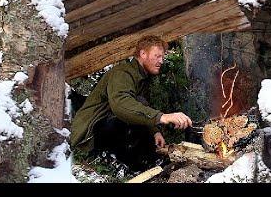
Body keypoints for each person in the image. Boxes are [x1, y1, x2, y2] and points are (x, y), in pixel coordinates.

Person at [70, 35, 192, 170]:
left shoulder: (141, 76)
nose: (161, 61)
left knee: (140, 109)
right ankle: (112, 161)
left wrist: (154, 132)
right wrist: (162, 117)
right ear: (143, 54)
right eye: (157, 56)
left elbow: (141, 107)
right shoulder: (123, 72)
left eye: (162, 57)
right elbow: (121, 105)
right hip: (89, 133)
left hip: (106, 128)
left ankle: (141, 164)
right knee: (129, 116)